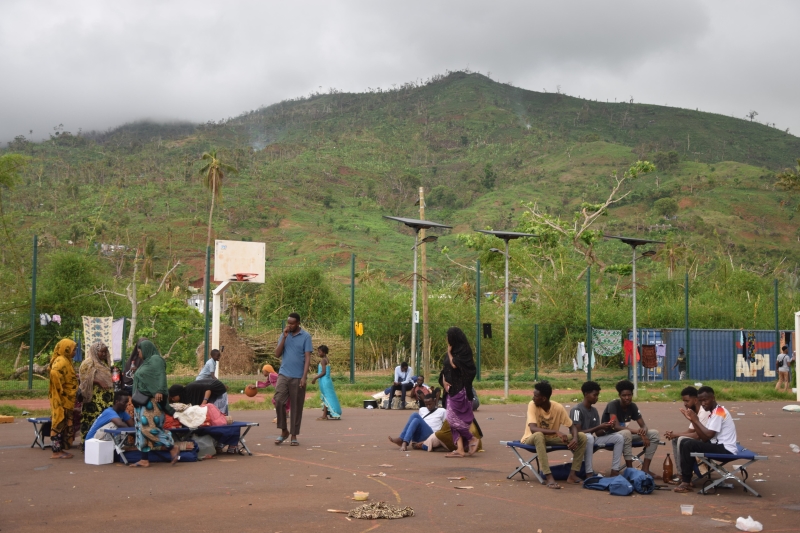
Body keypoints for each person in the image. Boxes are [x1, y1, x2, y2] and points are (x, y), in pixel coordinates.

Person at [130, 340, 192, 467]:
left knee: (148, 428)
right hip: (141, 402)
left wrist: (159, 390)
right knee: (140, 430)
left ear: (146, 349)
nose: (139, 354)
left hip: (152, 401)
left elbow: (160, 375)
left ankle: (171, 447)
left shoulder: (156, 360)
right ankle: (144, 459)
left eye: (140, 351)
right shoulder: (146, 363)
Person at [521, 381, 587, 489]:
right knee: (538, 435)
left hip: (550, 439)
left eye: (535, 396)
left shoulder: (558, 407)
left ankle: (572, 474)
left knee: (582, 437)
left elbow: (572, 426)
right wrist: (556, 431)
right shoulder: (532, 405)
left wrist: (575, 438)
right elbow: (533, 429)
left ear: (544, 398)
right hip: (531, 438)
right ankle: (548, 476)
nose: (533, 398)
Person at [673, 386, 738, 493]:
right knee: (685, 442)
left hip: (726, 449)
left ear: (713, 398)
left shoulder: (719, 412)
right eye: (701, 401)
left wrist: (696, 420)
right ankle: (686, 479)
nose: (703, 403)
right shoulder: (713, 412)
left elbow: (708, 435)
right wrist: (693, 421)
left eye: (706, 400)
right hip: (717, 445)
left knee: (689, 445)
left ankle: (686, 481)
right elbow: (703, 438)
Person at [601, 379, 661, 479]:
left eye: (629, 395)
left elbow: (643, 425)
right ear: (619, 395)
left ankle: (645, 469)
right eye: (624, 395)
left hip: (625, 435)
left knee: (654, 433)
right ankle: (630, 470)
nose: (627, 398)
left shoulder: (633, 406)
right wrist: (638, 432)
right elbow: (615, 427)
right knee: (626, 432)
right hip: (611, 436)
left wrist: (644, 432)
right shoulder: (613, 405)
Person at [570, 381, 624, 477]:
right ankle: (589, 472)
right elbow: (578, 432)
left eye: (597, 395)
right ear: (586, 394)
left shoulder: (594, 410)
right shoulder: (577, 410)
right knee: (589, 437)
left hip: (591, 439)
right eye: (594, 395)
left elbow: (598, 433)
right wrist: (599, 426)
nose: (596, 398)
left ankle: (615, 470)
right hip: (578, 440)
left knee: (619, 438)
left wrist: (607, 427)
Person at [439, 327, 479, 458]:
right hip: (450, 390)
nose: (447, 340)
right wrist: (444, 380)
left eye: (448, 337)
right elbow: (446, 368)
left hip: (460, 390)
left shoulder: (463, 351)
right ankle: (460, 449)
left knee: (452, 419)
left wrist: (450, 354)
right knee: (453, 420)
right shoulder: (452, 350)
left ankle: (471, 438)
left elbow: (455, 364)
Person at [274, 312, 313, 446]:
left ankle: (294, 435)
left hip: (298, 376)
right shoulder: (284, 335)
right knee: (279, 400)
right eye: (288, 323)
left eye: (292, 323)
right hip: (284, 374)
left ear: (298, 323)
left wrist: (304, 377)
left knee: (296, 406)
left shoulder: (306, 336)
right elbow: (277, 354)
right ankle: (284, 430)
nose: (289, 325)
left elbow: (308, 357)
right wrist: (284, 338)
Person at [663, 386, 705, 483]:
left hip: (707, 441)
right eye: (684, 401)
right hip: (700, 439)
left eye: (687, 401)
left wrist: (677, 435)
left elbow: (697, 435)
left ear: (695, 400)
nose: (685, 404)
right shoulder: (694, 412)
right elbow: (690, 431)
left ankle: (682, 474)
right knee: (676, 439)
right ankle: (680, 472)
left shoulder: (703, 413)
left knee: (681, 439)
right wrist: (674, 434)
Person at [79, 342, 115, 445]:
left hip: (106, 400)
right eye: (101, 352)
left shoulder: (104, 363)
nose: (104, 354)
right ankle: (88, 444)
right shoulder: (88, 362)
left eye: (105, 352)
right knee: (92, 421)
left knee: (104, 422)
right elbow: (83, 379)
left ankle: (102, 444)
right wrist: (98, 381)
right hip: (94, 399)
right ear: (95, 352)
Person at [49, 339, 79, 459]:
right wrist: (60, 390)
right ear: (66, 350)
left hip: (67, 400)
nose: (75, 352)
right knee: (58, 423)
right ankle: (56, 452)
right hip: (61, 399)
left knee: (64, 423)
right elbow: (54, 373)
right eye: (73, 349)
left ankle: (60, 449)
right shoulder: (61, 361)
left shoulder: (67, 361)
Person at [310, 345, 341, 420]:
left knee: (326, 397)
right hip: (327, 380)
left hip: (324, 381)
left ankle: (325, 415)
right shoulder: (326, 359)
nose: (318, 353)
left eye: (319, 352)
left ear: (324, 352)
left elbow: (323, 372)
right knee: (327, 397)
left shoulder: (323, 360)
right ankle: (325, 415)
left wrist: (315, 378)